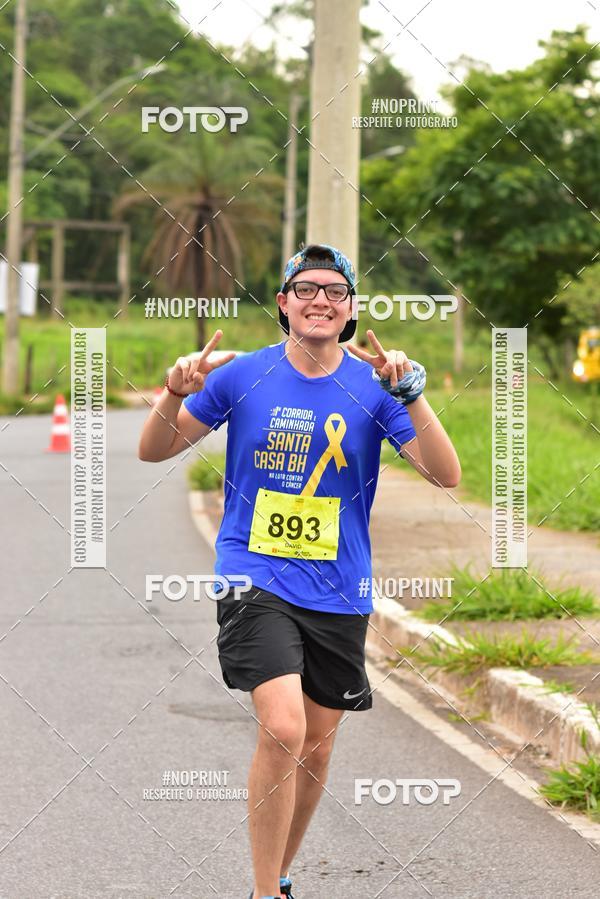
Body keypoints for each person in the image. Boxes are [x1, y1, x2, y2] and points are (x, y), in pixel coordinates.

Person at [138, 243, 461, 899]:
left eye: (335, 291)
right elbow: (156, 449)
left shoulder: (375, 387)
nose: (321, 299)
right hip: (252, 574)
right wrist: (172, 396)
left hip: (340, 586)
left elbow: (445, 473)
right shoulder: (242, 376)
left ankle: (278, 876)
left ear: (350, 311)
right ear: (283, 302)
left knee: (314, 745)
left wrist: (414, 397)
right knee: (282, 727)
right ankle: (262, 893)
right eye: (306, 288)